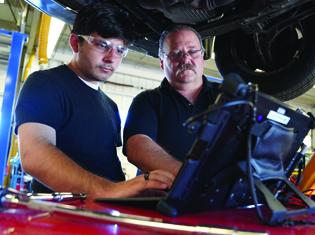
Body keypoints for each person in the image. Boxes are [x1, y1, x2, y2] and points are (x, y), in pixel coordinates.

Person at [14, 3, 174, 199]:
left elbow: (107, 169)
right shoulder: (45, 84)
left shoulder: (110, 106)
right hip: (63, 217)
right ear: (75, 43)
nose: (111, 58)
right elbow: (34, 155)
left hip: (103, 213)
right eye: (102, 45)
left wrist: (133, 192)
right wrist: (108, 190)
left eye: (120, 50)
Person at [123, 25, 220, 176]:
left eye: (192, 51)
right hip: (162, 198)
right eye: (176, 54)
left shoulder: (227, 96)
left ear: (202, 56)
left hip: (225, 197)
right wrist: (190, 178)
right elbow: (137, 148)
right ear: (162, 62)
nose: (186, 58)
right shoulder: (147, 101)